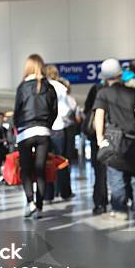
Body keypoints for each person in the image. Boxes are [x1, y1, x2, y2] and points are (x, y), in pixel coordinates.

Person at [94, 58, 135, 220]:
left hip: (113, 140)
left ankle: (120, 209)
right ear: (120, 74)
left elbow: (100, 116)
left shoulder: (102, 93)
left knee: (116, 175)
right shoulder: (132, 92)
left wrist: (100, 138)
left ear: (105, 77)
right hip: (133, 139)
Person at [13, 54, 58, 218]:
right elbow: (54, 111)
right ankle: (39, 208)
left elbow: (17, 111)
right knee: (40, 170)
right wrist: (47, 125)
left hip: (25, 132)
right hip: (43, 132)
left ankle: (30, 202)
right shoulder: (49, 87)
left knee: (26, 170)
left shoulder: (22, 87)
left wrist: (16, 126)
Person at [44, 65, 75, 201]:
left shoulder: (41, 86)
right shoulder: (60, 87)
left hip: (43, 129)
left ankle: (48, 193)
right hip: (58, 128)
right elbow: (66, 110)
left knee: (46, 162)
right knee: (60, 161)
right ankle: (64, 191)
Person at [84, 81, 108, 215]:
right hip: (115, 134)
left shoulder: (96, 89)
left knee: (99, 172)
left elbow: (87, 109)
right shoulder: (117, 91)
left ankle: (100, 202)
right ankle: (122, 200)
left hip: (96, 138)